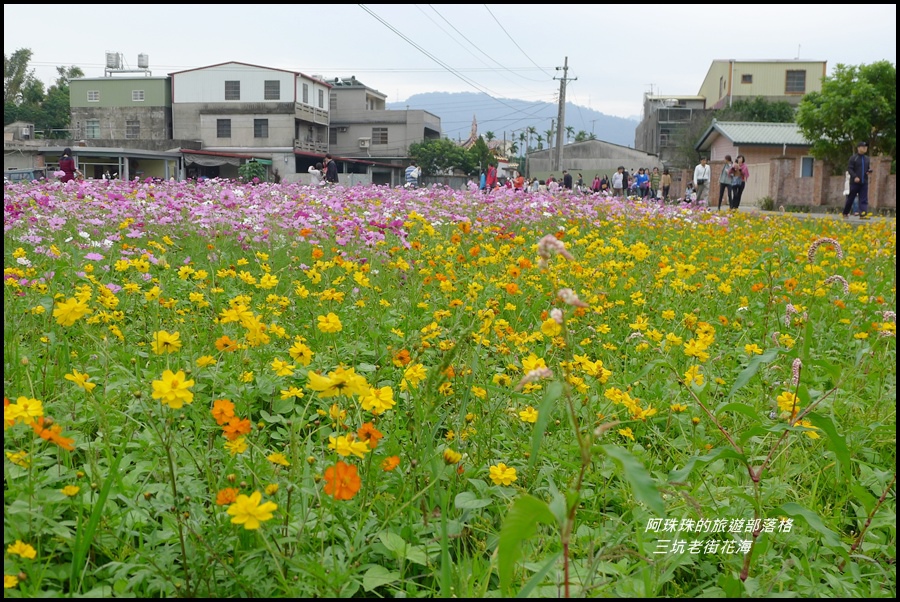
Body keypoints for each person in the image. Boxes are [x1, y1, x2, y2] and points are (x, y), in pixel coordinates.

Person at [842, 141, 873, 220]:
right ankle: (845, 212)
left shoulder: (867, 159)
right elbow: (850, 169)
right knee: (851, 198)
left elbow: (867, 168)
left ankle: (863, 214)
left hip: (864, 182)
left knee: (864, 199)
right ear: (858, 148)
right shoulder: (853, 158)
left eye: (866, 147)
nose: (865, 148)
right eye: (863, 147)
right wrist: (855, 176)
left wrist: (869, 171)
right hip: (855, 182)